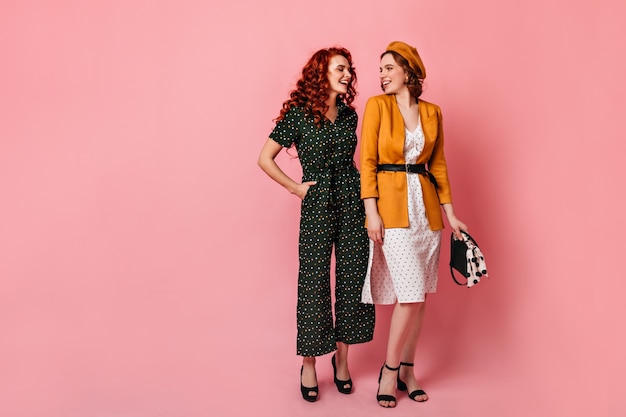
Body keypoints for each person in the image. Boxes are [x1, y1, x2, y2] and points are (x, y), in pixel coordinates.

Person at [258, 47, 375, 402]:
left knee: (354, 278)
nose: (348, 75)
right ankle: (309, 363)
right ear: (320, 72)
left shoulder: (349, 115)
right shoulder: (297, 115)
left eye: (349, 70)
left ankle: (342, 359)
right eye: (341, 68)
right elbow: (265, 158)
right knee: (313, 281)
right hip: (317, 203)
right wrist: (295, 187)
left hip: (352, 200)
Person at [359, 41, 468, 408]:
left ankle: (408, 368)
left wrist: (451, 214)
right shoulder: (377, 106)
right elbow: (369, 161)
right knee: (410, 294)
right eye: (381, 69)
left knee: (419, 299)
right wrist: (371, 211)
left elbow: (438, 166)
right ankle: (389, 371)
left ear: (408, 71)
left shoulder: (433, 113)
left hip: (426, 212)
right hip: (391, 210)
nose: (382, 75)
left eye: (389, 68)